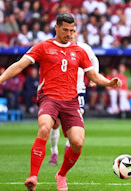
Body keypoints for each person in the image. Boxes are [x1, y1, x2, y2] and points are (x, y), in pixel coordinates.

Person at [0, 13, 121, 191]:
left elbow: (92, 75)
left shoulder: (79, 51)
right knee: (45, 127)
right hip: (49, 98)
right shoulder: (43, 46)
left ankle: (61, 175)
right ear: (56, 27)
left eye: (72, 30)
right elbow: (20, 65)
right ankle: (33, 176)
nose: (69, 34)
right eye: (65, 30)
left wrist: (109, 82)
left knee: (77, 142)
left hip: (71, 101)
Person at [48, 25, 100, 166]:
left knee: (76, 121)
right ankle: (54, 153)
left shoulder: (84, 48)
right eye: (68, 31)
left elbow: (94, 60)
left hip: (78, 91)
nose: (71, 34)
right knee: (55, 124)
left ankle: (67, 146)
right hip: (59, 91)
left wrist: (94, 77)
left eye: (74, 32)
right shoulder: (56, 48)